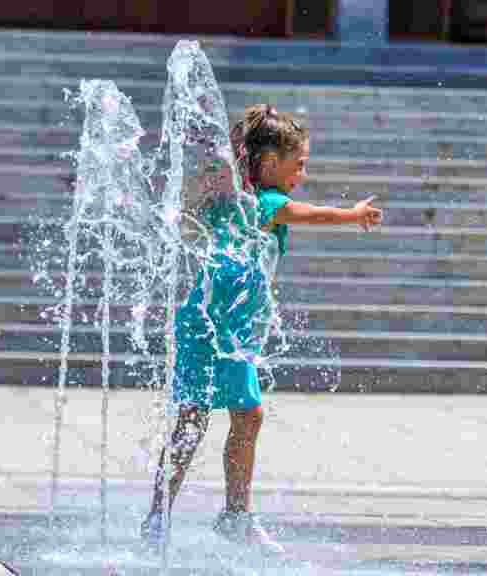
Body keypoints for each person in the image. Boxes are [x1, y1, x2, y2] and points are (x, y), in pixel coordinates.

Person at [140, 104, 383, 554]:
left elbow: (187, 215)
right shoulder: (263, 201)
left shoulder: (233, 201)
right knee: (216, 418)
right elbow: (305, 213)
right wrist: (352, 215)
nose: (302, 174)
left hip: (212, 325)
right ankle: (214, 515)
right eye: (300, 164)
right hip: (219, 329)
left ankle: (180, 514)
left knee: (212, 419)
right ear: (270, 163)